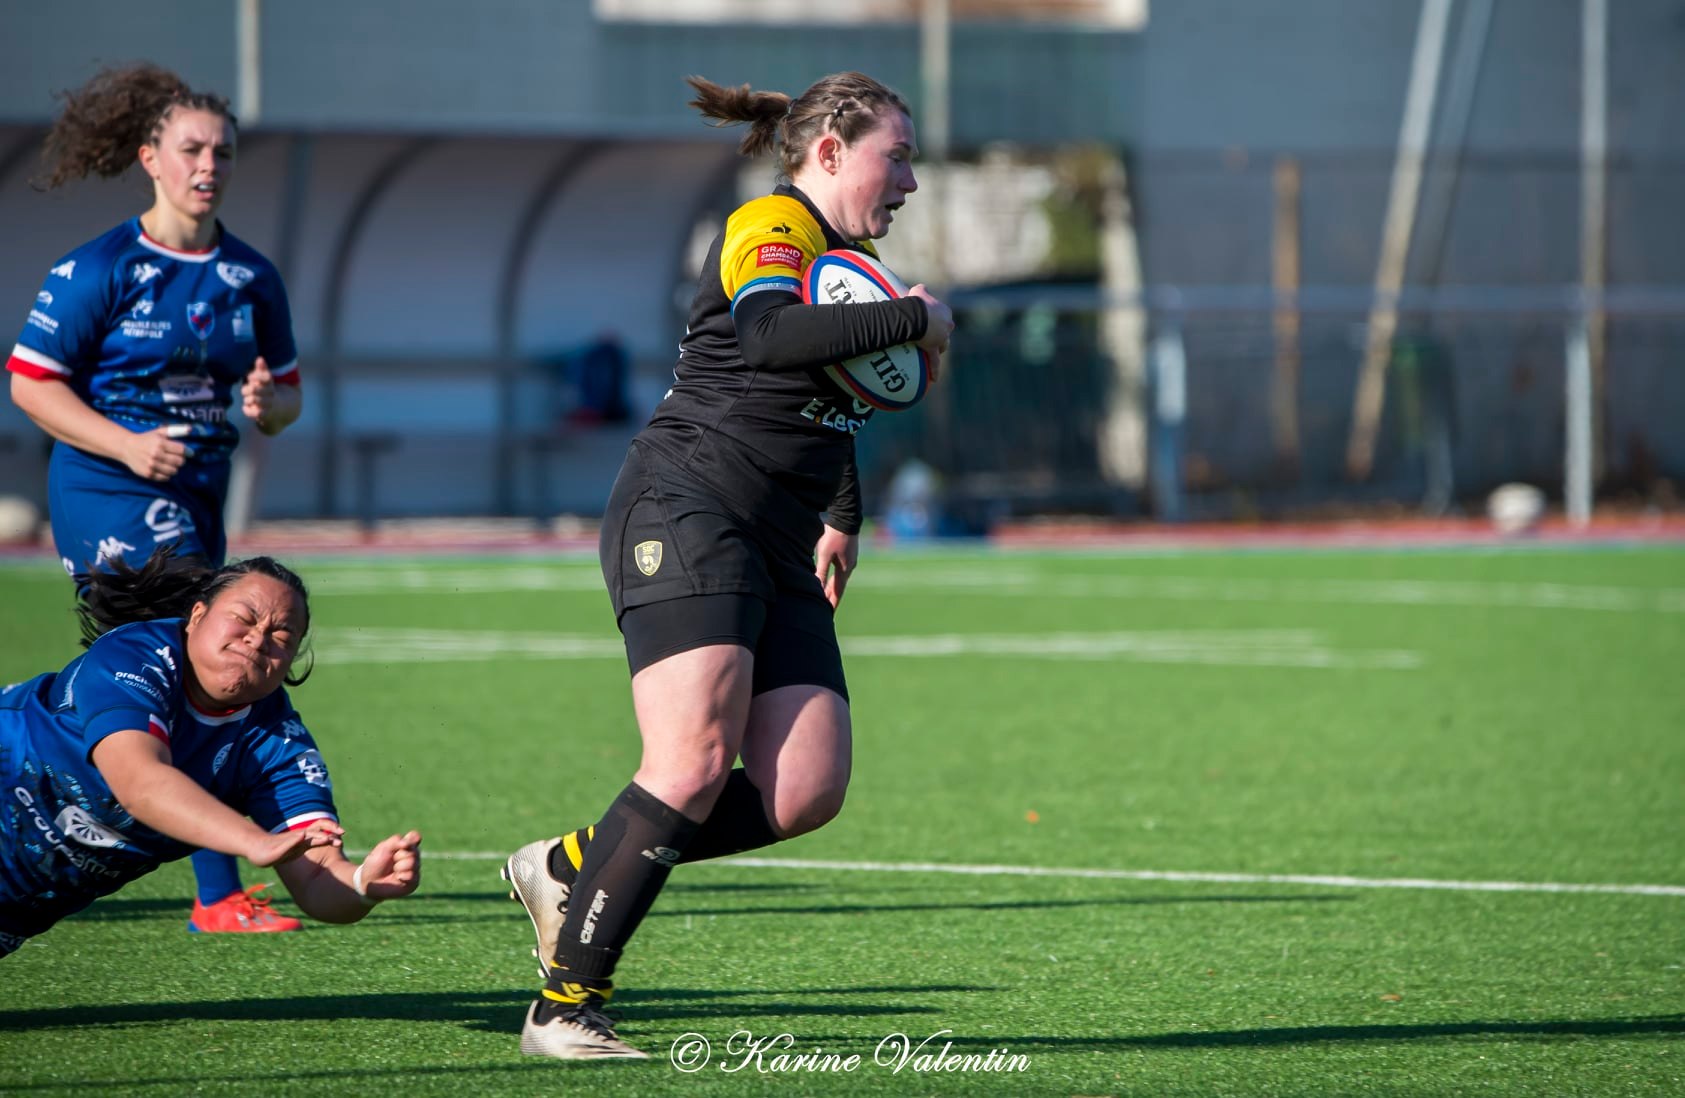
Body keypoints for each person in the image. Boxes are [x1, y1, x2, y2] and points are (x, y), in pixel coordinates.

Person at [501, 71, 954, 1059]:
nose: (910, 180)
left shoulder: (845, 263)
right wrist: (912, 318)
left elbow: (826, 410)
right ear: (829, 151)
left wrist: (843, 515)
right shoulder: (770, 224)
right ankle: (564, 1006)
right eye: (899, 154)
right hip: (687, 504)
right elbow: (767, 337)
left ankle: (571, 864)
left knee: (804, 788)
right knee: (693, 760)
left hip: (779, 535)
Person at [6, 64, 305, 933]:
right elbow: (31, 386)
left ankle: (64, 782)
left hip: (199, 496)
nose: (207, 164)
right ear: (151, 158)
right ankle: (217, 891)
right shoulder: (99, 267)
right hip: (107, 486)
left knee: (191, 669)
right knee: (194, 656)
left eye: (221, 151)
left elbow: (287, 398)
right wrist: (126, 442)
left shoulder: (250, 277)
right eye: (190, 149)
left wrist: (266, 406)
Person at [0, 549, 422, 959]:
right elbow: (139, 783)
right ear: (197, 616)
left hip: (17, 911)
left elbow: (317, 879)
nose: (258, 639)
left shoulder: (279, 744)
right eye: (244, 618)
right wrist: (253, 840)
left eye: (282, 636)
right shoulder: (136, 653)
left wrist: (363, 883)